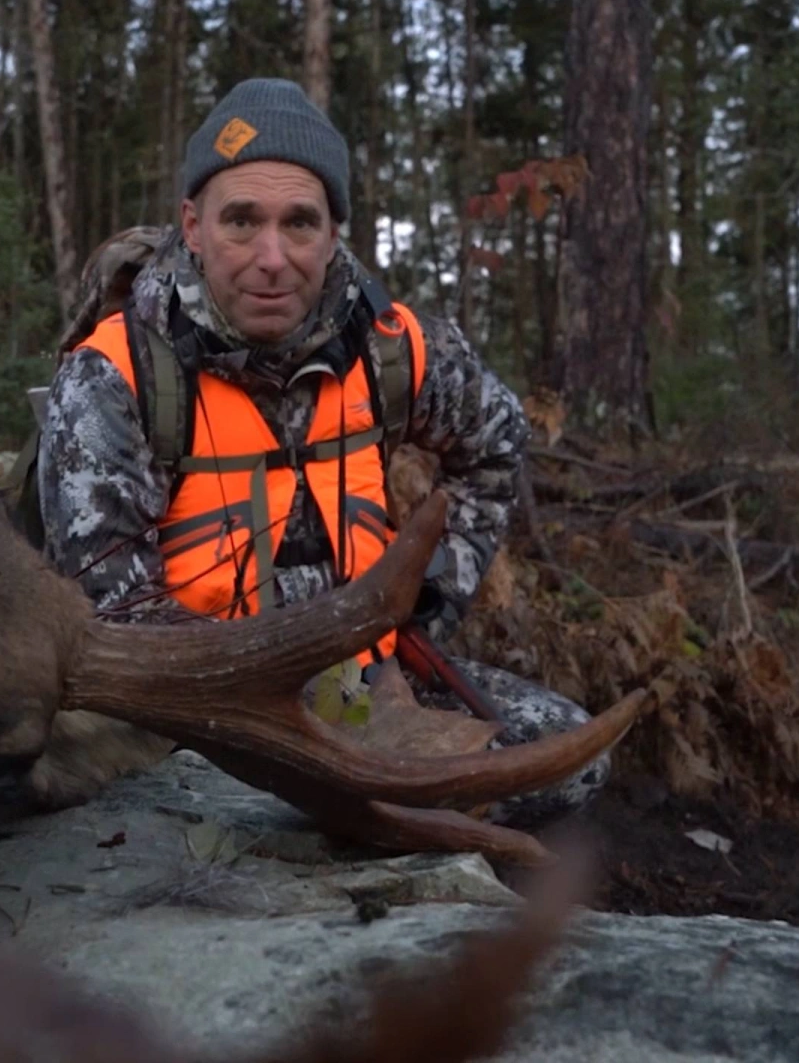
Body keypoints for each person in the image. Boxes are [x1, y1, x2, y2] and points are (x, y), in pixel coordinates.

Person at [30, 77, 608, 830]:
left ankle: (365, 815)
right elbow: (109, 617)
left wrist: (428, 597)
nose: (272, 258)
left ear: (334, 232)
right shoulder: (116, 376)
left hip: (362, 688)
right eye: (242, 221)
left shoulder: (391, 348)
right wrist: (276, 701)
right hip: (184, 714)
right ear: (193, 227)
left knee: (570, 757)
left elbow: (497, 442)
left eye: (300, 223)